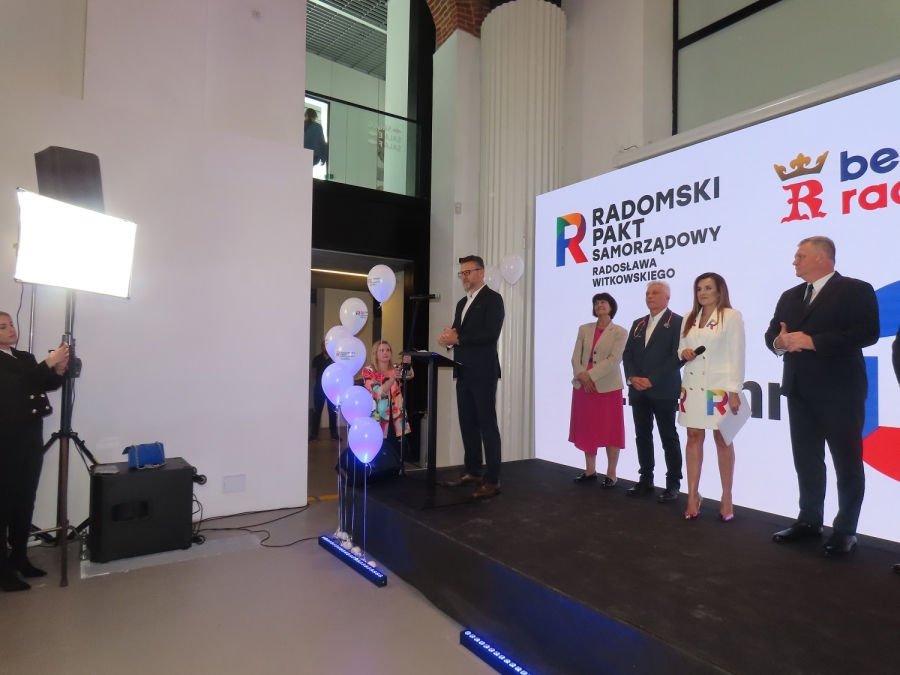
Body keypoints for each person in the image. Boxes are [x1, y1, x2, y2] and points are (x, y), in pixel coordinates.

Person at [766, 236, 879, 556]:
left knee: (847, 464)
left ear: (821, 257)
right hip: (798, 389)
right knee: (807, 460)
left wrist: (813, 341)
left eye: (800, 256)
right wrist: (779, 343)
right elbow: (772, 333)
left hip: (840, 392)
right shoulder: (789, 296)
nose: (795, 261)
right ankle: (809, 520)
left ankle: (845, 531)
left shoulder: (855, 289)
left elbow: (867, 332)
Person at [0, 312, 69, 592]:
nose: (11, 330)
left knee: (25, 498)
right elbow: (14, 387)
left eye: (11, 324)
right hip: (6, 438)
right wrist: (48, 363)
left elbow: (42, 384)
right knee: (4, 503)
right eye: (2, 327)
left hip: (30, 434)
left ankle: (19, 556)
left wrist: (58, 371)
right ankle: (2, 570)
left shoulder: (24, 357)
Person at [678, 273, 745, 521]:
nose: (702, 293)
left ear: (719, 291)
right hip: (693, 385)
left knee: (722, 439)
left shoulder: (731, 316)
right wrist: (684, 352)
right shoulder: (688, 317)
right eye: (699, 289)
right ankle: (692, 495)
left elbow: (737, 355)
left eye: (708, 288)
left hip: (718, 387)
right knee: (693, 436)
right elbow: (680, 348)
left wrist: (734, 390)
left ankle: (727, 496)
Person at [438, 255, 505, 499]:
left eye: (467, 272)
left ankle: (492, 479)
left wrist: (458, 339)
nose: (464, 277)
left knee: (487, 425)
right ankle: (473, 471)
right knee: (467, 423)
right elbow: (459, 333)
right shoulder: (461, 303)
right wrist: (448, 339)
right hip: (463, 370)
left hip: (483, 372)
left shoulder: (493, 299)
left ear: (481, 272)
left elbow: (490, 334)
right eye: (462, 273)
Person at [622, 282, 684, 502]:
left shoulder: (678, 322)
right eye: (647, 293)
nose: (649, 296)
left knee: (668, 437)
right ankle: (646, 480)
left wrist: (652, 379)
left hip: (664, 390)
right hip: (638, 391)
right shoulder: (638, 323)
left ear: (667, 297)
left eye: (655, 292)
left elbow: (677, 356)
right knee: (642, 436)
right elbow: (628, 354)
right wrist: (632, 378)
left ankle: (673, 484)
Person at [569, 293, 627, 487]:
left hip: (607, 387)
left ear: (611, 306)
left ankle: (611, 473)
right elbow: (575, 357)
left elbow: (614, 360)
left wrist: (590, 376)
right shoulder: (584, 329)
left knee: (610, 430)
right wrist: (582, 376)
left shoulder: (620, 332)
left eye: (603, 302)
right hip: (583, 386)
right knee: (588, 427)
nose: (599, 305)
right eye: (596, 303)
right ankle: (590, 470)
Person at [362, 340, 414, 460]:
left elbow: (409, 374)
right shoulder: (368, 371)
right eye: (381, 350)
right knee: (379, 451)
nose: (385, 352)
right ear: (375, 354)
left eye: (388, 350)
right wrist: (392, 379)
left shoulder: (395, 368)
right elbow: (379, 392)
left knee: (396, 449)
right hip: (378, 417)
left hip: (396, 415)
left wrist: (408, 364)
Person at [310, 341, 338, 441]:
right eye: (323, 345)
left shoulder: (335, 359)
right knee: (317, 412)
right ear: (321, 347)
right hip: (319, 389)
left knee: (332, 412)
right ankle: (314, 434)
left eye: (327, 345)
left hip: (331, 390)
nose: (325, 347)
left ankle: (334, 434)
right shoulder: (316, 359)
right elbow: (314, 374)